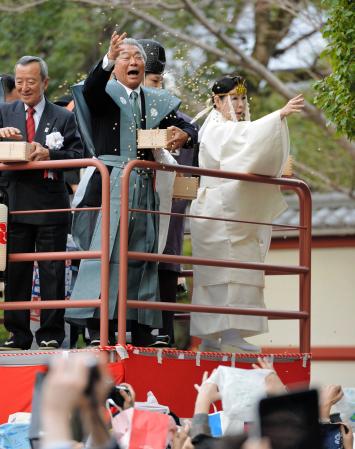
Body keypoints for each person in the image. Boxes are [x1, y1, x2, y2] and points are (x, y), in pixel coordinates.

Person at [67, 32, 197, 346]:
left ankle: (140, 328)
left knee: (141, 255)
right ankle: (102, 328)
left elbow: (185, 125)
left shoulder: (152, 99)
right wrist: (108, 58)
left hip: (142, 187)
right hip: (110, 182)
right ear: (115, 66)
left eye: (138, 58)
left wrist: (184, 134)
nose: (134, 62)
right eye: (126, 58)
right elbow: (92, 88)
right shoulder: (104, 93)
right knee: (107, 256)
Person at [190, 75, 304, 353]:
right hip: (216, 207)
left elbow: (249, 140)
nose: (239, 105)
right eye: (233, 98)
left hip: (233, 206)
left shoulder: (236, 127)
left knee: (239, 270)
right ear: (217, 101)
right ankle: (212, 337)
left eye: (242, 98)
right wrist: (278, 114)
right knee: (218, 273)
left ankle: (230, 333)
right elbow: (244, 140)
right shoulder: (217, 129)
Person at [0, 55, 83, 351]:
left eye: (31, 81)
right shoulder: (4, 112)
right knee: (15, 272)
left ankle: (50, 333)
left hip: (51, 204)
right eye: (19, 81)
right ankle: (17, 333)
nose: (24, 87)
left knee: (52, 271)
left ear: (44, 83)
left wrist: (50, 154)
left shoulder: (64, 116)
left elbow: (77, 155)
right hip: (15, 203)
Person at [138, 38, 197, 347]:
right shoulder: (127, 112)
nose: (155, 85)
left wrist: (183, 136)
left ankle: (163, 331)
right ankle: (137, 330)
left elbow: (191, 160)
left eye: (159, 80)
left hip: (169, 205)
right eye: (151, 80)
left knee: (166, 261)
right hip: (136, 203)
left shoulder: (178, 119)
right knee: (136, 262)